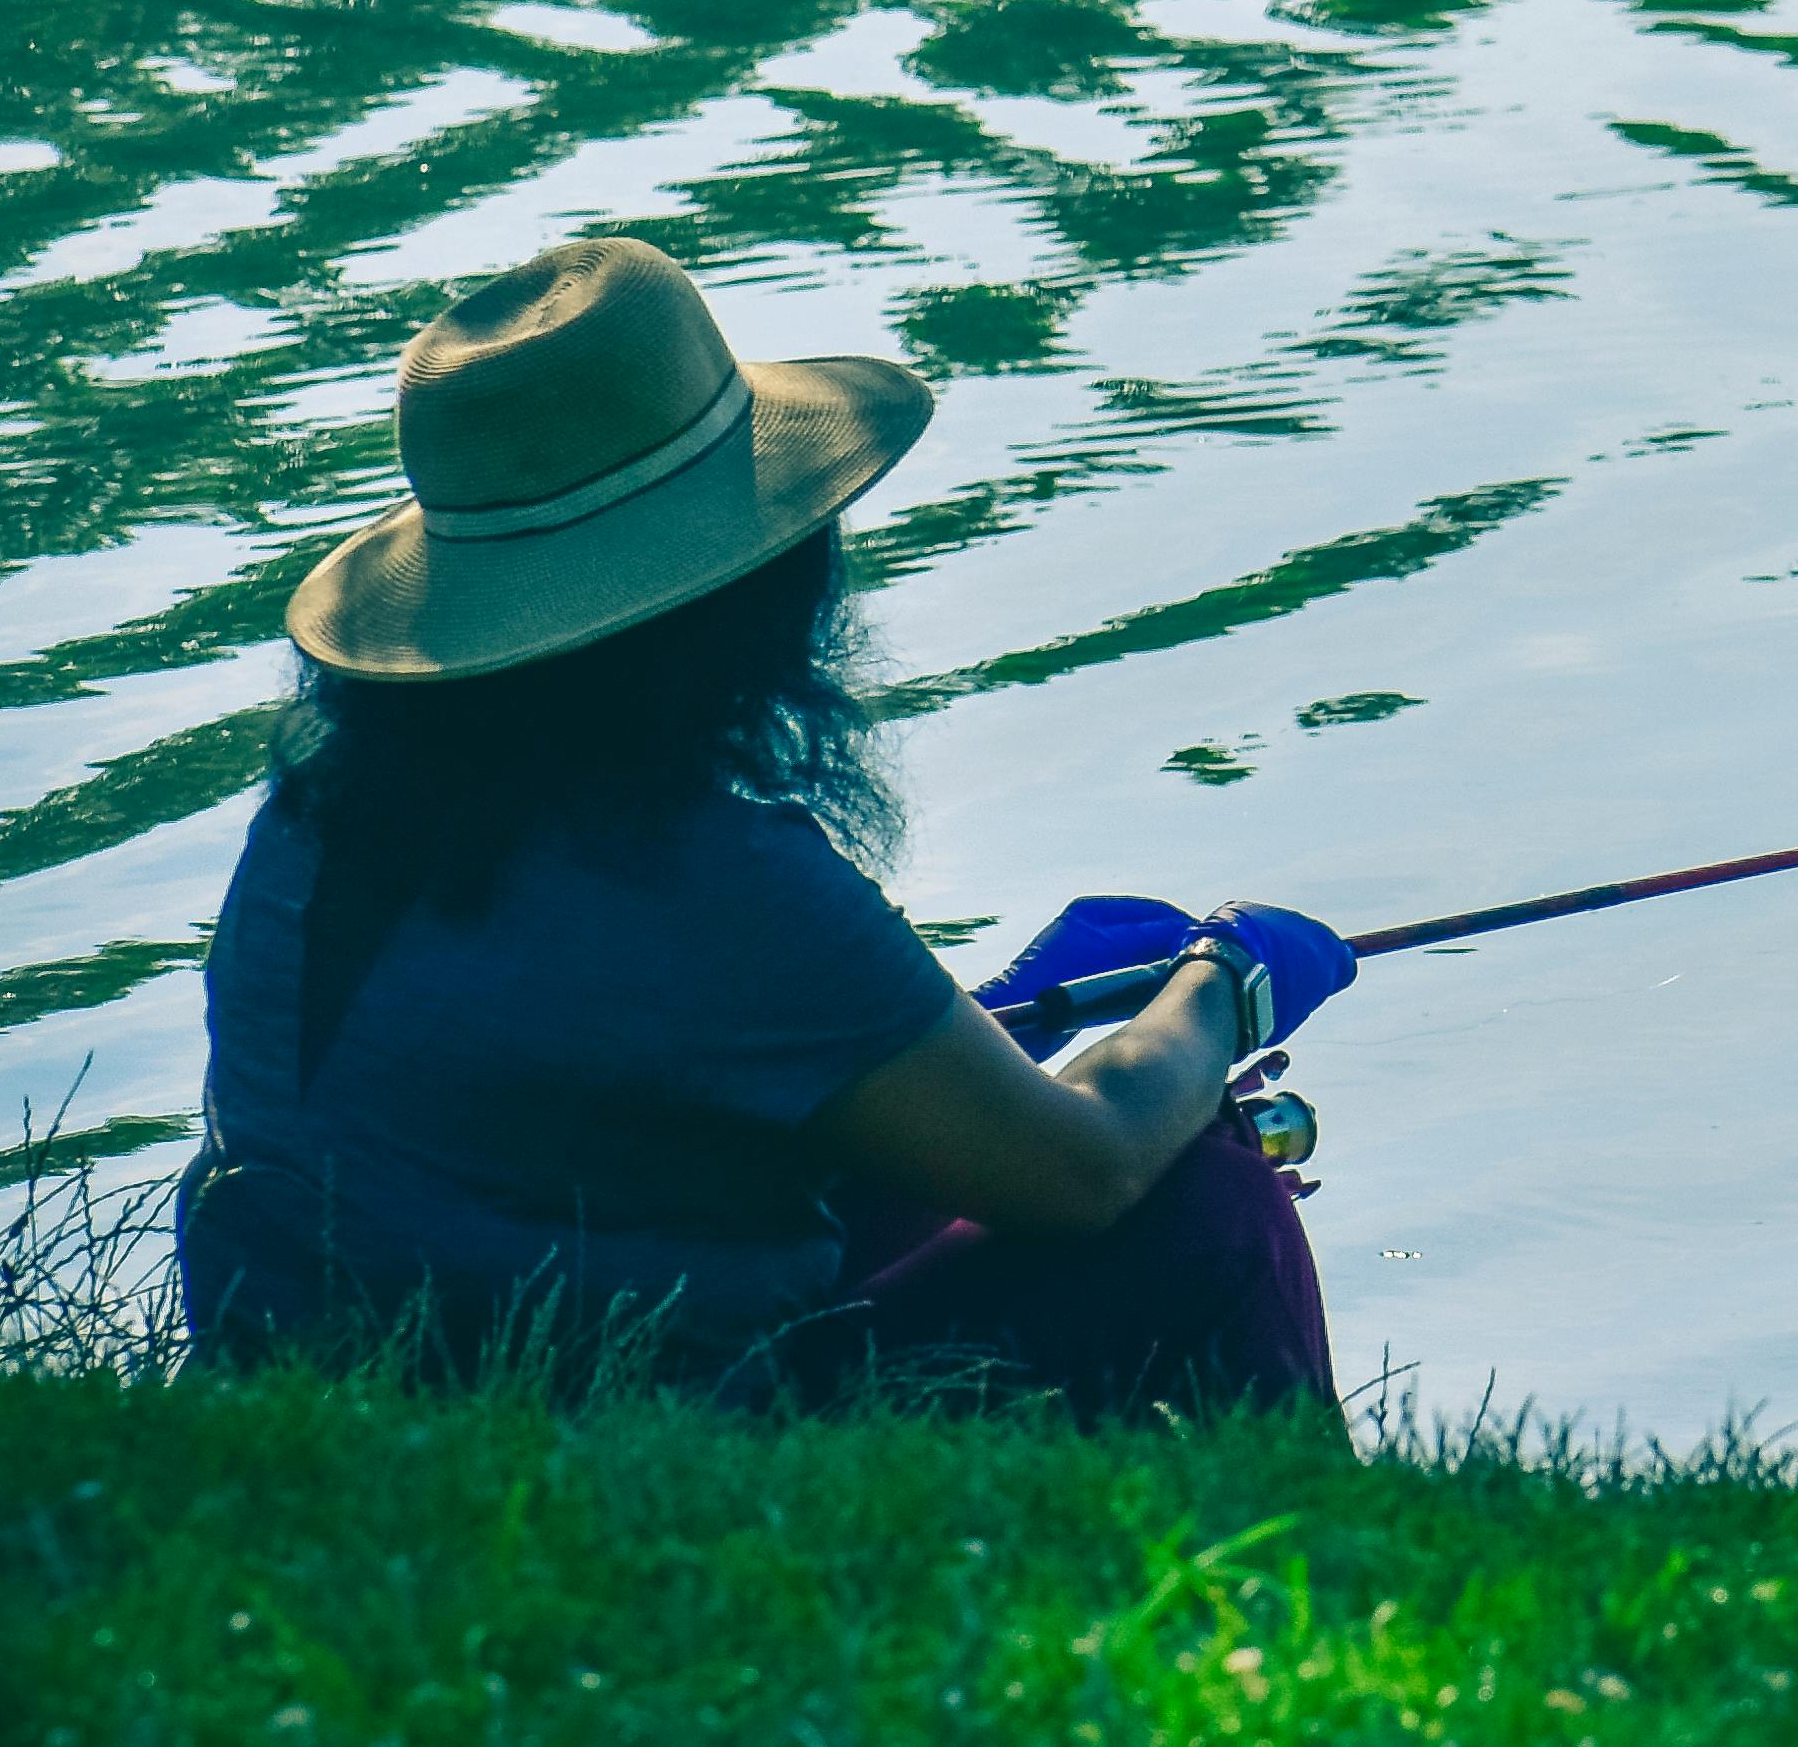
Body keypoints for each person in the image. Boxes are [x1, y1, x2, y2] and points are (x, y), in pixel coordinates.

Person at [176, 233, 1350, 1420]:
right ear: (732, 591)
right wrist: (1223, 981)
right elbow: (1084, 1169)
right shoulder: (708, 873)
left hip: (346, 1391)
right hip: (628, 1450)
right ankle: (1339, 1579)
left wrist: (967, 1028)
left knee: (923, 1167)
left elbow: (598, 1078)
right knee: (1212, 1210)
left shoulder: (315, 822)